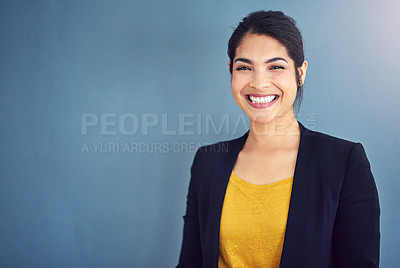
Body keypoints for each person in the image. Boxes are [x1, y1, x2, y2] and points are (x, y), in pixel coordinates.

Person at [176, 10, 380, 268]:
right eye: (244, 67)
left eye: (275, 67)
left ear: (301, 72)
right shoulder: (208, 162)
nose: (259, 83)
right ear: (231, 72)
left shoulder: (344, 162)